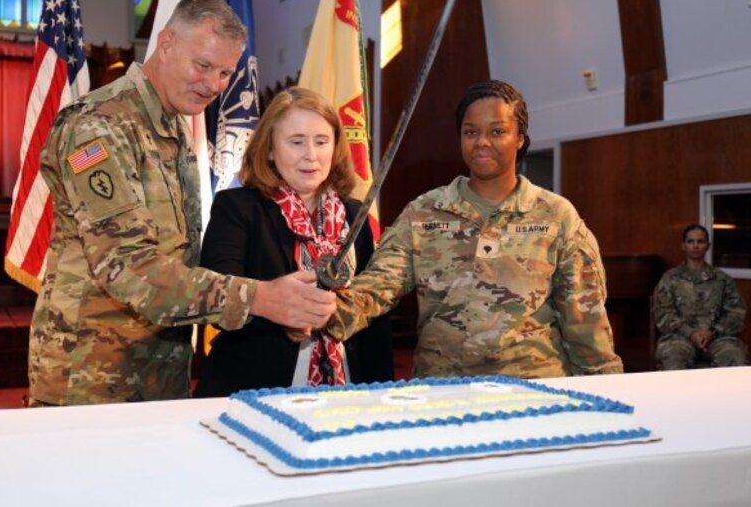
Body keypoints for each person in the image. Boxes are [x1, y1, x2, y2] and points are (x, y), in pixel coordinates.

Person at [28, 0, 336, 406]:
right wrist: (261, 298)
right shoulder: (100, 126)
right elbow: (131, 269)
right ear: (167, 43)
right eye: (203, 65)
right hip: (92, 377)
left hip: (160, 371)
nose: (213, 85)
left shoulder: (173, 128)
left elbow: (181, 259)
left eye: (225, 72)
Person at [326, 80, 623, 379]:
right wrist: (323, 311)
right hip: (444, 390)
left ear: (520, 138)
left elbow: (585, 321)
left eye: (497, 131)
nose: (482, 141)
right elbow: (379, 285)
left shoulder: (556, 216)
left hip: (533, 390)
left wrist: (606, 388)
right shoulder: (425, 212)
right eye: (471, 132)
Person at [193, 87, 393, 397]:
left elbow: (374, 318)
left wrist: (382, 395)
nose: (311, 155)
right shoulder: (237, 208)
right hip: (255, 392)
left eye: (321, 141)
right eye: (296, 142)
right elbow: (215, 301)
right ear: (270, 150)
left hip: (348, 392)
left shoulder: (355, 212)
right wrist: (279, 310)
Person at [653, 224, 748, 369]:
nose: (695, 246)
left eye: (700, 241)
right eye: (691, 241)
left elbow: (736, 313)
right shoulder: (669, 279)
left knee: (735, 358)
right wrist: (690, 333)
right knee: (673, 359)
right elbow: (663, 313)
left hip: (719, 338)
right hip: (679, 338)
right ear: (683, 246)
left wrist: (712, 332)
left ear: (708, 246)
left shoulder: (723, 279)